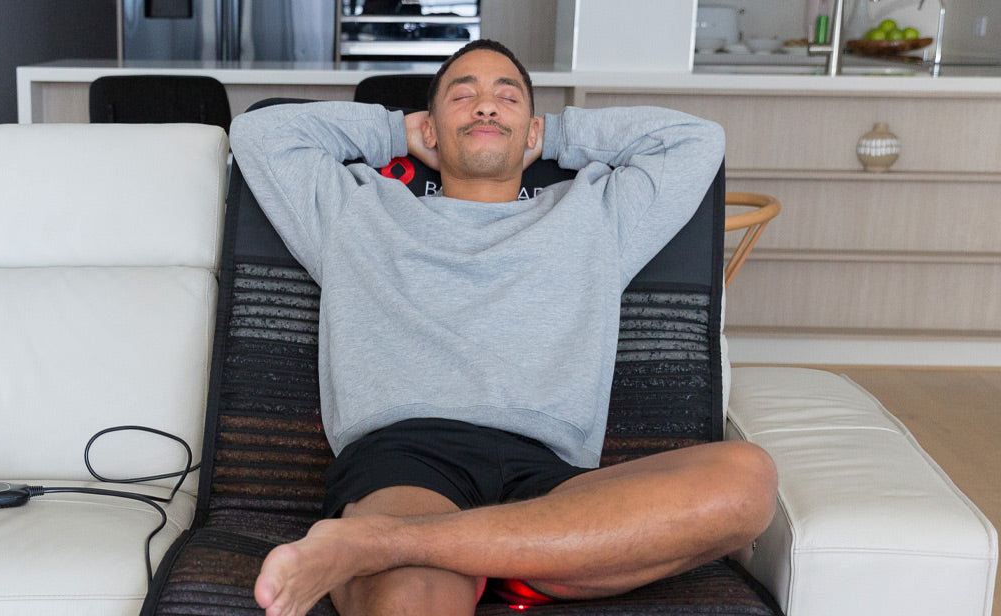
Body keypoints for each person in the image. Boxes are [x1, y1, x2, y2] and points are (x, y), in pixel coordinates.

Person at [230, 39, 777, 616]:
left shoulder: (595, 215)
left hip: (548, 474)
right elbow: (261, 135)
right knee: (411, 599)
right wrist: (395, 131)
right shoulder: (358, 210)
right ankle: (507, 558)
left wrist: (559, 135)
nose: (486, 107)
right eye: (462, 96)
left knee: (747, 481)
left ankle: (374, 545)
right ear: (431, 131)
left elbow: (696, 142)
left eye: (506, 97)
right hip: (408, 458)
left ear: (532, 132)